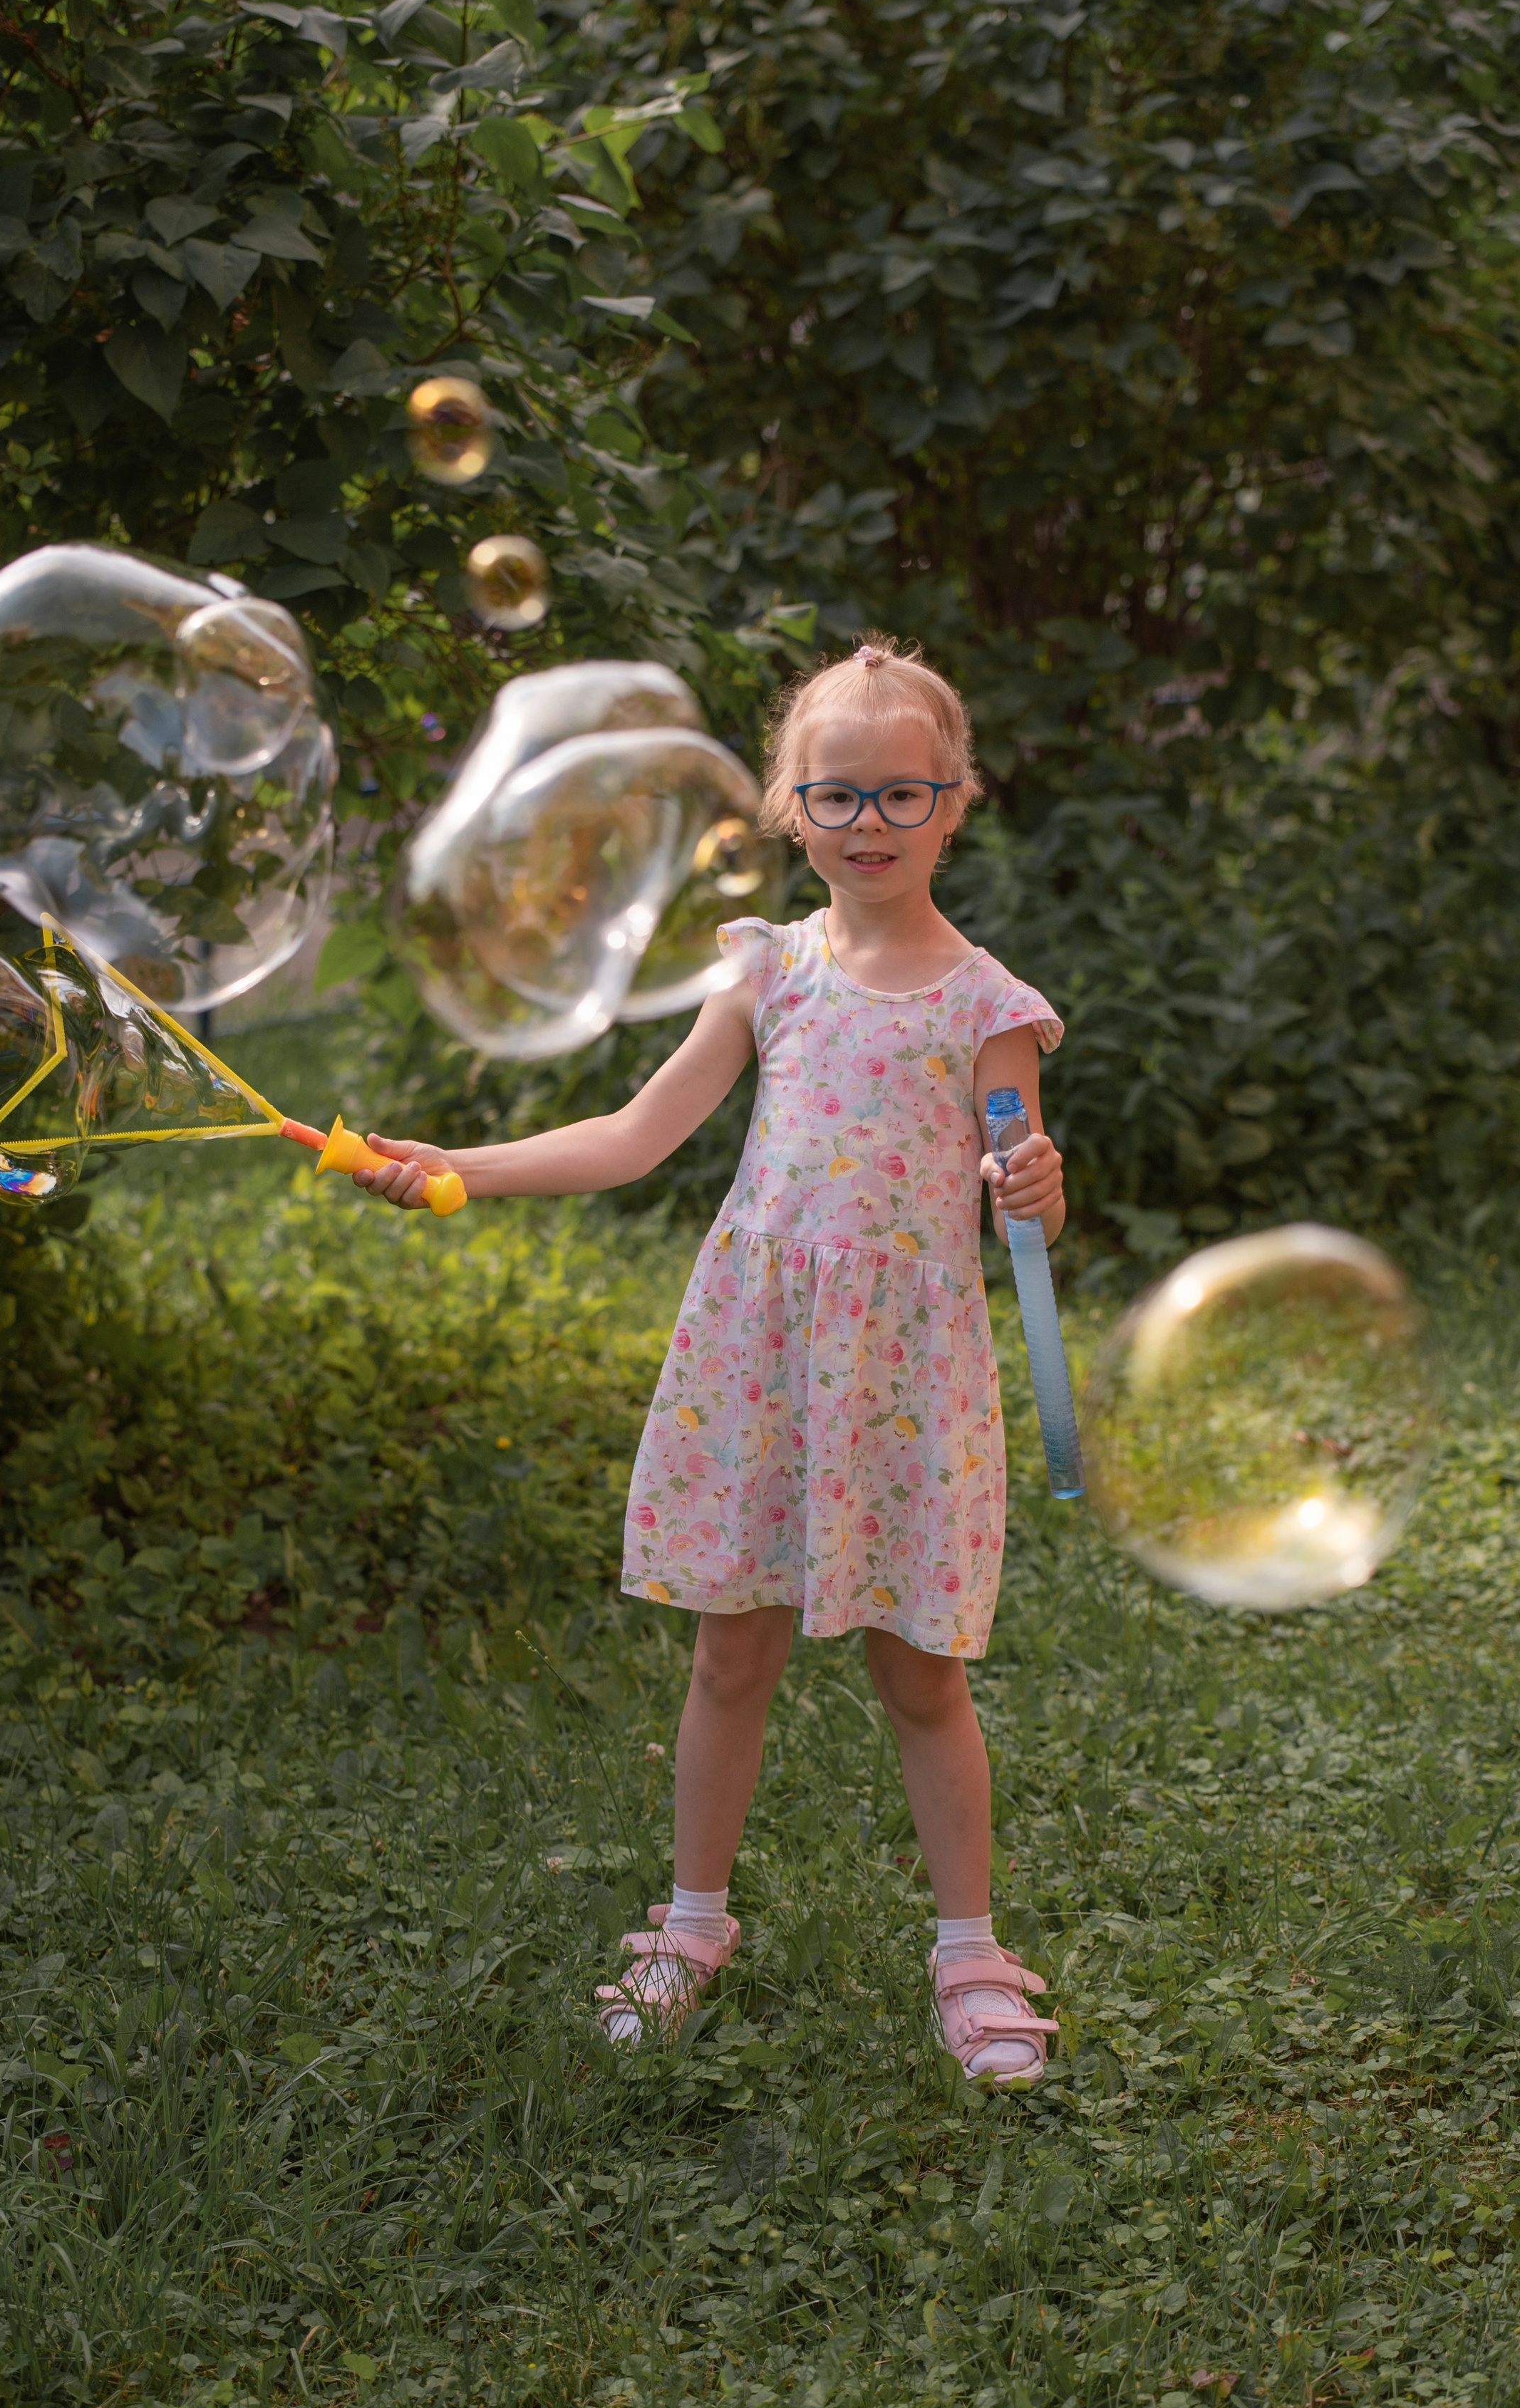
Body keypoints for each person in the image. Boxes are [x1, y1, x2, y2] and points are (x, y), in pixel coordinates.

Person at [348, 640, 1067, 2080]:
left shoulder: (986, 1005)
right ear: (791, 811)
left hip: (899, 1371)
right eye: (837, 792)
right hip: (757, 1350)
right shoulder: (765, 971)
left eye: (900, 793)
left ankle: (968, 1951)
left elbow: (1018, 1182)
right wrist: (460, 1166)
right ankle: (688, 1924)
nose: (868, 821)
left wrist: (1036, 1192)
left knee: (917, 1667)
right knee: (729, 1647)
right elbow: (633, 1133)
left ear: (954, 802)